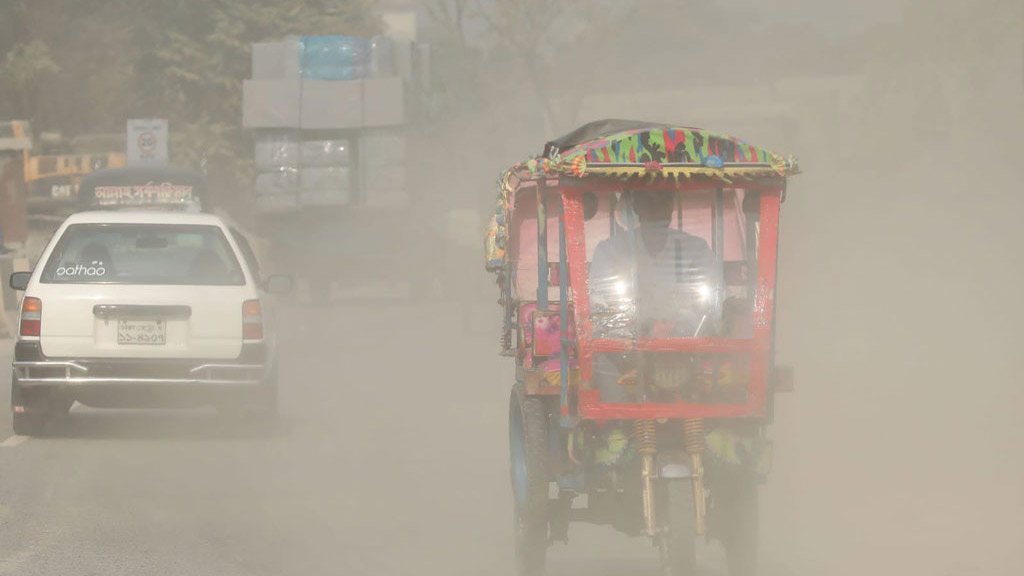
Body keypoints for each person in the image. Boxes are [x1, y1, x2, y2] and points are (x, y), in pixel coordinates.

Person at [588, 191, 721, 402]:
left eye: (664, 198)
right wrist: (642, 328)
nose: (658, 206)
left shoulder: (696, 249)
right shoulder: (610, 251)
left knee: (722, 370)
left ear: (672, 206)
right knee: (603, 356)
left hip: (687, 344)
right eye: (650, 198)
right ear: (637, 206)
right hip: (629, 348)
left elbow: (713, 298)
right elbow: (600, 308)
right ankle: (616, 423)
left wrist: (681, 325)